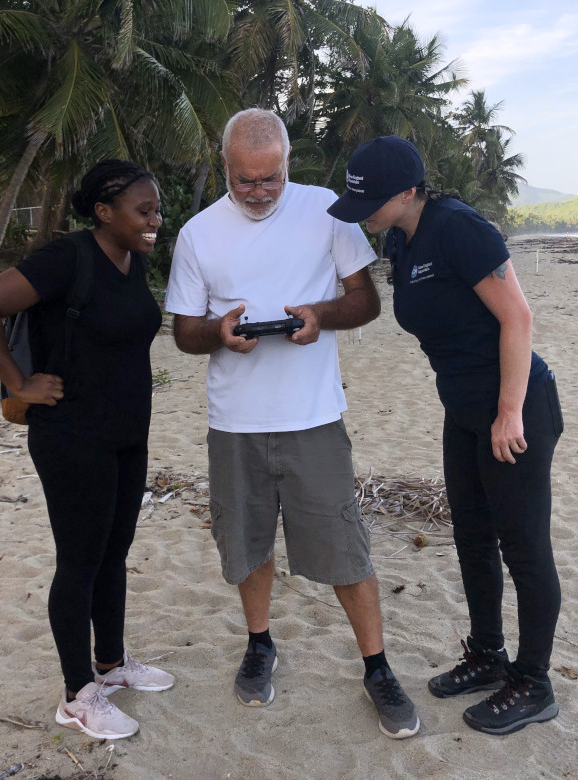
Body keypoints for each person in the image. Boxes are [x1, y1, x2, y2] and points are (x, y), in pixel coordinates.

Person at [165, 109, 421, 739]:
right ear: (225, 167)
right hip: (235, 423)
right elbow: (182, 332)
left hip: (313, 417)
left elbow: (365, 301)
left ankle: (377, 668)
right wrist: (220, 331)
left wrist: (318, 317)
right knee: (248, 545)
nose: (258, 192)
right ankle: (259, 645)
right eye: (245, 180)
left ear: (287, 165)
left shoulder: (324, 209)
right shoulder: (198, 233)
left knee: (345, 546)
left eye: (270, 178)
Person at [327, 136, 564, 736]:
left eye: (373, 201)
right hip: (462, 412)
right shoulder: (399, 238)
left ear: (409, 191)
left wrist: (508, 411)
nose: (365, 212)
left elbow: (518, 316)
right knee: (472, 537)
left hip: (514, 407)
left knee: (524, 546)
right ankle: (487, 655)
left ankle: (534, 683)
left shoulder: (460, 228)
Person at [0, 160, 174, 741]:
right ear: (104, 213)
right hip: (72, 436)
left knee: (114, 551)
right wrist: (18, 381)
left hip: (128, 433)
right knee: (79, 559)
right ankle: (77, 693)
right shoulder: (67, 258)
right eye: (143, 211)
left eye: (157, 210)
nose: (155, 221)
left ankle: (111, 663)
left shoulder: (134, 260)